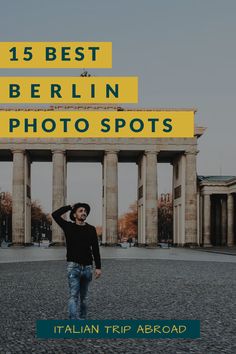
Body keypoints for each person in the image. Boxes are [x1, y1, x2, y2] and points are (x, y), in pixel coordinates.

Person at [52, 203, 101, 320]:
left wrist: (98, 267)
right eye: (80, 210)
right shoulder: (68, 226)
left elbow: (95, 249)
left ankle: (82, 319)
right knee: (73, 296)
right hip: (73, 267)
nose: (84, 212)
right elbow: (55, 215)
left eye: (85, 211)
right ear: (74, 214)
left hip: (88, 267)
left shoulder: (91, 229)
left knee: (84, 297)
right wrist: (69, 207)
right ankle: (73, 321)